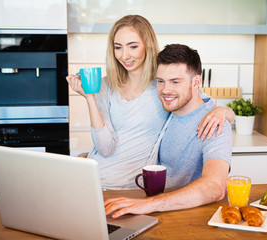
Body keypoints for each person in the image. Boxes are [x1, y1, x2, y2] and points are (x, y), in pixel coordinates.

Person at [66, 15, 234, 190]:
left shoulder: (163, 86)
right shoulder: (106, 85)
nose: (125, 55)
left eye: (133, 46)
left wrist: (224, 112)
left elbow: (200, 102)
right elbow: (105, 147)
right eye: (118, 47)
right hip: (92, 178)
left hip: (130, 187)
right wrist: (89, 98)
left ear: (148, 45)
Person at [104, 44, 232, 217]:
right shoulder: (167, 110)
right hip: (154, 209)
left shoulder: (214, 124)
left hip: (189, 217)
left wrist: (151, 204)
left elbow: (215, 186)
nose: (165, 90)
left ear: (196, 82)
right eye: (161, 81)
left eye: (175, 82)